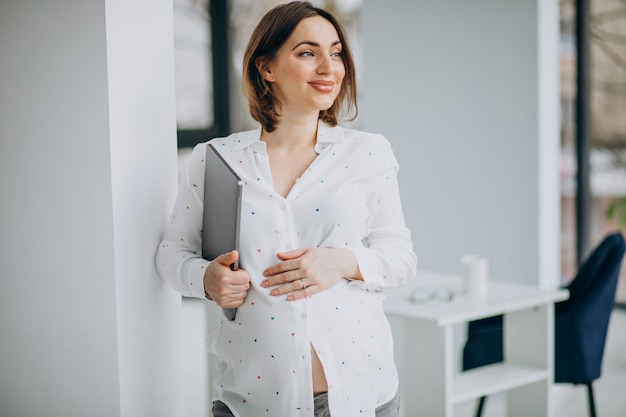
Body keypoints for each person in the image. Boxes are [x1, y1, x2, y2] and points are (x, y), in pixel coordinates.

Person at [156, 2, 417, 416]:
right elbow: (172, 254)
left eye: (336, 53)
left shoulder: (368, 153)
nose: (329, 67)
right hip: (251, 402)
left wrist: (342, 262)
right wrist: (204, 277)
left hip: (362, 396)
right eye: (307, 52)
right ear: (266, 68)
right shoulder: (215, 159)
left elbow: (401, 260)